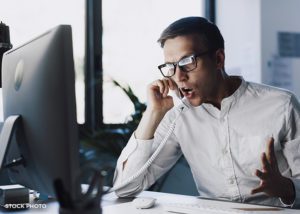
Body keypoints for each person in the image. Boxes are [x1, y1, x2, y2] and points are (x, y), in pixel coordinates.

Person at [112, 16, 300, 208]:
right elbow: (125, 187)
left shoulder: (282, 105)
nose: (179, 76)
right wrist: (152, 113)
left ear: (218, 59)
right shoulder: (178, 117)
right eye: (171, 66)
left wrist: (285, 188)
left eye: (187, 61)